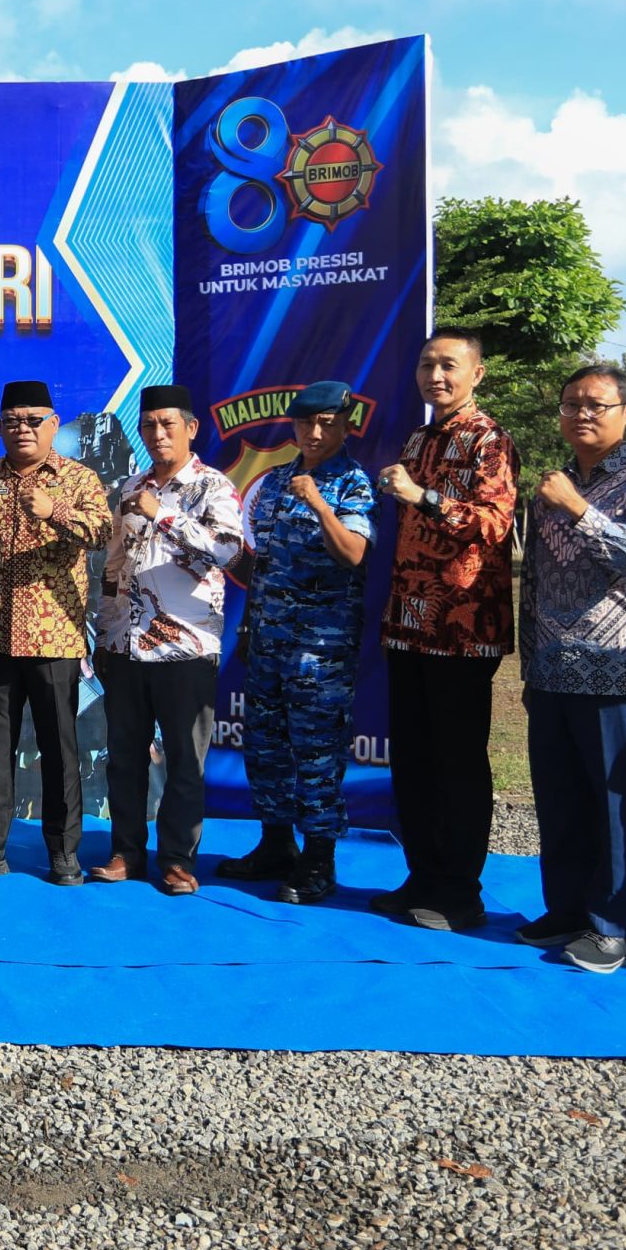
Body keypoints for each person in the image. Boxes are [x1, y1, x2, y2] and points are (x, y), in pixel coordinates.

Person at [517, 364, 626, 974]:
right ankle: (566, 910)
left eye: (596, 404)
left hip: (623, 674)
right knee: (559, 800)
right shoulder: (553, 483)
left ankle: (613, 928)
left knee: (619, 806)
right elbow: (533, 580)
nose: (582, 414)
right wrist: (530, 660)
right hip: (553, 669)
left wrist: (578, 508)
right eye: (571, 404)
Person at [373, 327, 517, 932]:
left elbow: (495, 524)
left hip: (463, 627)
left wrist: (423, 496)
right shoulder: (419, 436)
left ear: (476, 374)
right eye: (427, 363)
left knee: (457, 762)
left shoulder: (490, 439)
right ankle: (422, 876)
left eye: (449, 365)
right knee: (414, 759)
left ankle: (460, 892)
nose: (436, 375)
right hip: (409, 623)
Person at [0, 380, 113, 884]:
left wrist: (54, 511)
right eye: (12, 421)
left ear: (53, 425)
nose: (23, 429)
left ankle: (63, 852)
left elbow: (102, 532)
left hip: (54, 636)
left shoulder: (78, 479)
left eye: (34, 420)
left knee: (60, 747)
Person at [223, 380, 374, 904]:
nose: (314, 432)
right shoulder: (276, 480)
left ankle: (318, 861)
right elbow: (262, 562)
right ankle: (275, 844)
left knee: (316, 753)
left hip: (320, 649)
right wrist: (248, 624)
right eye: (306, 423)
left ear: (344, 426)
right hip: (269, 639)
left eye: (327, 424)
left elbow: (353, 554)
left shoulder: (352, 482)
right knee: (265, 746)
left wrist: (320, 505)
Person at [90, 384, 244, 895]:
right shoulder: (131, 487)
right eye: (149, 425)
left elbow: (228, 551)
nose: (157, 434)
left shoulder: (213, 486)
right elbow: (114, 565)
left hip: (187, 646)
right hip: (126, 644)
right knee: (125, 757)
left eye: (168, 424)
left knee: (184, 760)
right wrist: (106, 632)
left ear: (191, 428)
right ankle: (126, 852)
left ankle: (177, 859)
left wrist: (164, 514)